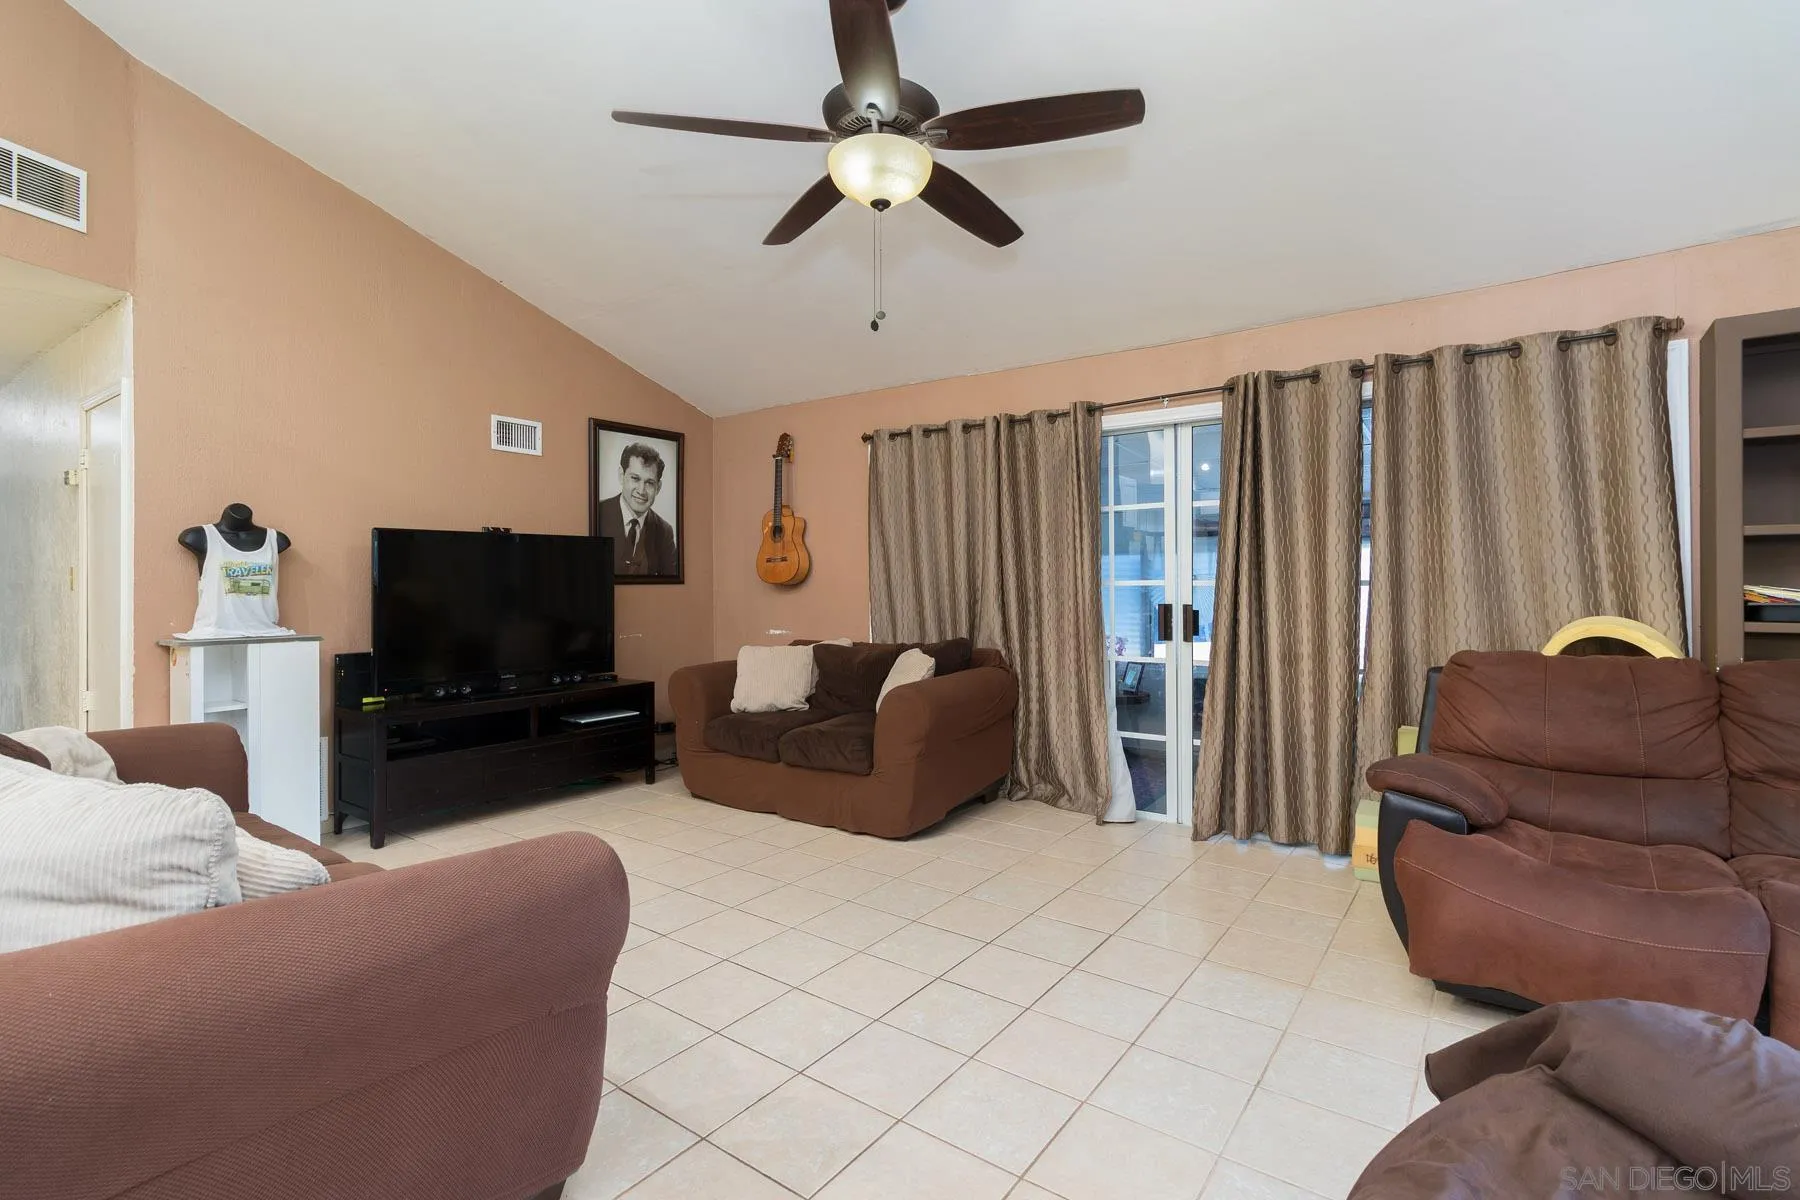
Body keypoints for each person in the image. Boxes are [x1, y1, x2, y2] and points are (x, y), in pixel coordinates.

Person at [596, 441, 677, 576]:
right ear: (622, 476)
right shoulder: (598, 513)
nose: (641, 490)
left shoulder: (664, 532)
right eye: (635, 478)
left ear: (658, 487)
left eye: (649, 483)